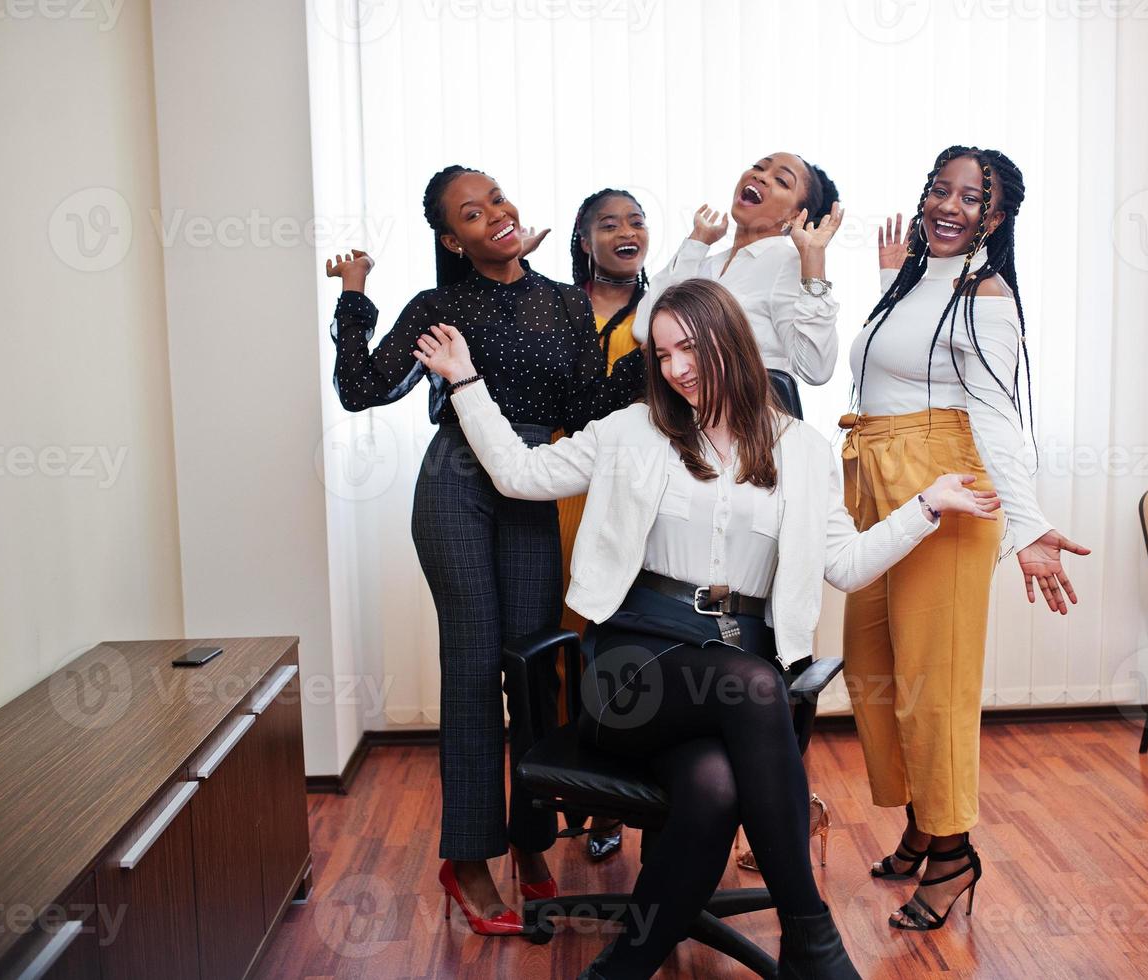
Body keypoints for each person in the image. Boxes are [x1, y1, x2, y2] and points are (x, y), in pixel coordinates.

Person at [411, 277, 1001, 978]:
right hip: (634, 668)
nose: (675, 369)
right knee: (755, 687)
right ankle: (811, 936)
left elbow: (843, 565)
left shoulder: (803, 451)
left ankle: (617, 970)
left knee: (716, 786)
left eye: (687, 348)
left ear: (731, 340)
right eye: (661, 355)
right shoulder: (631, 431)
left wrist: (925, 507)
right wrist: (466, 382)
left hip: (730, 671)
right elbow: (519, 475)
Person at [324, 164, 643, 937]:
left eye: (497, 199)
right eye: (472, 213)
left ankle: (529, 847)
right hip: (457, 484)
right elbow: (364, 388)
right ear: (451, 238)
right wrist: (353, 296)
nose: (493, 214)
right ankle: (467, 858)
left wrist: (659, 352)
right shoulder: (440, 304)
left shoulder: (565, 303)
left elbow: (581, 407)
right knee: (472, 669)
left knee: (532, 674)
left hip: (531, 482)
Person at [842, 146, 1090, 931]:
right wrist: (890, 282)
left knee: (934, 681)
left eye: (971, 197)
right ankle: (921, 813)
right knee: (873, 665)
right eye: (938, 190)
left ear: (998, 217)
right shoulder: (918, 278)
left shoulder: (984, 295)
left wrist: (1027, 526)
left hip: (943, 485)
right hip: (880, 476)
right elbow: (899, 370)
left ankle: (951, 855)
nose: (949, 206)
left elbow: (993, 420)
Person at [559, 187, 652, 861]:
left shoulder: (666, 306)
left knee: (627, 649)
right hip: (564, 482)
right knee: (569, 646)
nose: (625, 229)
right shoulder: (555, 309)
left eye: (635, 220)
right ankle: (581, 795)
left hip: (640, 484)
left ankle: (623, 802)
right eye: (607, 223)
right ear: (583, 241)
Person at [632, 152, 843, 417]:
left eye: (781, 180)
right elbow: (644, 329)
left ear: (795, 216)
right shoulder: (704, 262)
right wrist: (697, 241)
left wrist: (813, 268)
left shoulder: (785, 262)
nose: (760, 176)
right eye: (758, 167)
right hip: (687, 421)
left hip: (748, 426)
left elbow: (816, 369)